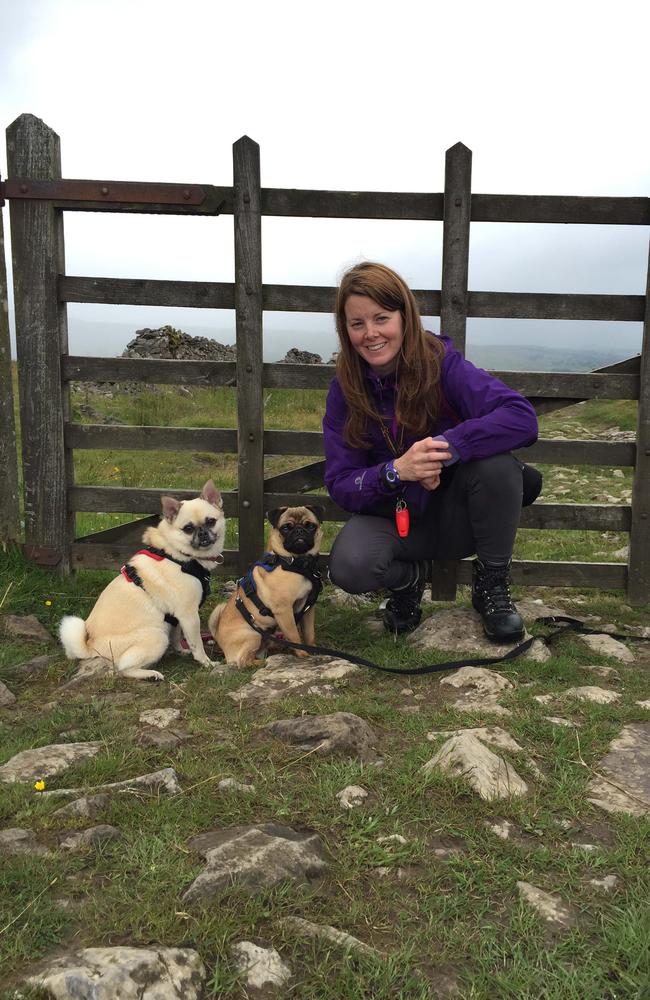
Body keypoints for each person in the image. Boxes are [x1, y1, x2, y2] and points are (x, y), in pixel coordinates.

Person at [323, 261, 541, 641]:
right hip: (395, 521)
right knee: (350, 567)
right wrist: (395, 471)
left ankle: (492, 585)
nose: (370, 334)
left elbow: (521, 418)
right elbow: (341, 484)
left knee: (496, 463)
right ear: (346, 330)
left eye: (381, 318)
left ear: (405, 317)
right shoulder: (344, 389)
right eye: (357, 324)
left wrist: (450, 446)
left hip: (458, 519)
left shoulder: (442, 364)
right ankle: (408, 582)